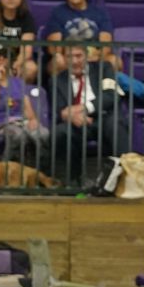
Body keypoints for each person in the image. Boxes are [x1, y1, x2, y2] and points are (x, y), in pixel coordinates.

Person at [51, 44, 130, 185]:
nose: (74, 61)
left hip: (104, 117)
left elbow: (111, 95)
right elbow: (59, 111)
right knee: (61, 131)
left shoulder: (104, 68)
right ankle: (74, 180)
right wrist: (69, 115)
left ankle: (124, 177)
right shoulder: (57, 80)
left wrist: (85, 108)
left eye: (78, 56)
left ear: (86, 56)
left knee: (115, 124)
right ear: (63, 58)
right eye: (69, 56)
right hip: (77, 123)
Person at [0, 44, 49, 165]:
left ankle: (40, 173)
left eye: (5, 56)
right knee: (18, 136)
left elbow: (27, 107)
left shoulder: (18, 82)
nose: (1, 59)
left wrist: (33, 120)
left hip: (21, 121)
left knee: (43, 134)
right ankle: (9, 175)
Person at [44, 0, 118, 75]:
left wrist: (95, 56)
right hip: (68, 56)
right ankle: (62, 90)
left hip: (94, 56)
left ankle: (108, 90)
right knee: (58, 61)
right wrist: (73, 57)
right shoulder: (58, 12)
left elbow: (106, 43)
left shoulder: (100, 13)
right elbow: (54, 48)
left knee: (114, 61)